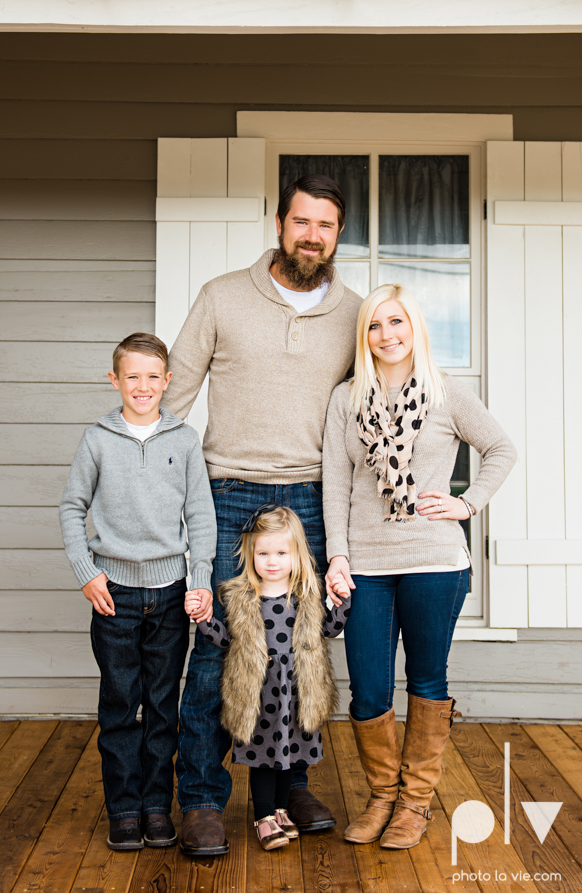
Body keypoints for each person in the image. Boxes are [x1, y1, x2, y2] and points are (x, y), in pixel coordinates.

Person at [165, 174, 362, 854]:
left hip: (309, 495)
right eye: (301, 221)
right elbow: (173, 399)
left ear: (337, 235)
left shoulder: (354, 313)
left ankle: (291, 784)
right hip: (228, 493)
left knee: (302, 654)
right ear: (280, 224)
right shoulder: (221, 296)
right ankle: (199, 800)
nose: (311, 234)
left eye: (325, 226)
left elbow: (370, 410)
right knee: (221, 653)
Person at [323, 285, 517, 850]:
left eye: (396, 322)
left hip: (435, 560)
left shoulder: (447, 394)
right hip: (366, 563)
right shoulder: (345, 400)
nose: (387, 335)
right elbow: (335, 482)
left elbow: (501, 449)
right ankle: (382, 796)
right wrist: (338, 553)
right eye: (375, 326)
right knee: (367, 690)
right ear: (364, 337)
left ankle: (414, 805)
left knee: (427, 681)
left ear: (415, 327)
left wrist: (467, 502)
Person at [59, 332, 216, 852]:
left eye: (153, 377)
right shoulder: (98, 438)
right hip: (114, 594)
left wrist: (199, 578)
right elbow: (71, 508)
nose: (143, 386)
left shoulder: (185, 440)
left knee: (162, 705)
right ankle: (124, 810)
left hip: (170, 593)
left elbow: (200, 515)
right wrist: (87, 570)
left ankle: (156, 807)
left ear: (167, 382)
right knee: (121, 704)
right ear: (115, 380)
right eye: (132, 376)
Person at [185, 505, 351, 851]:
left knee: (289, 752)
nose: (271, 561)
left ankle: (280, 808)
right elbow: (227, 638)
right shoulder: (244, 597)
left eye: (280, 552)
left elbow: (328, 630)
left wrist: (343, 604)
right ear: (251, 554)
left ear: (297, 555)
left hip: (295, 694)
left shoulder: (306, 596)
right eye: (263, 553)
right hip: (260, 695)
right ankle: (263, 816)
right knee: (263, 758)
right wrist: (203, 620)